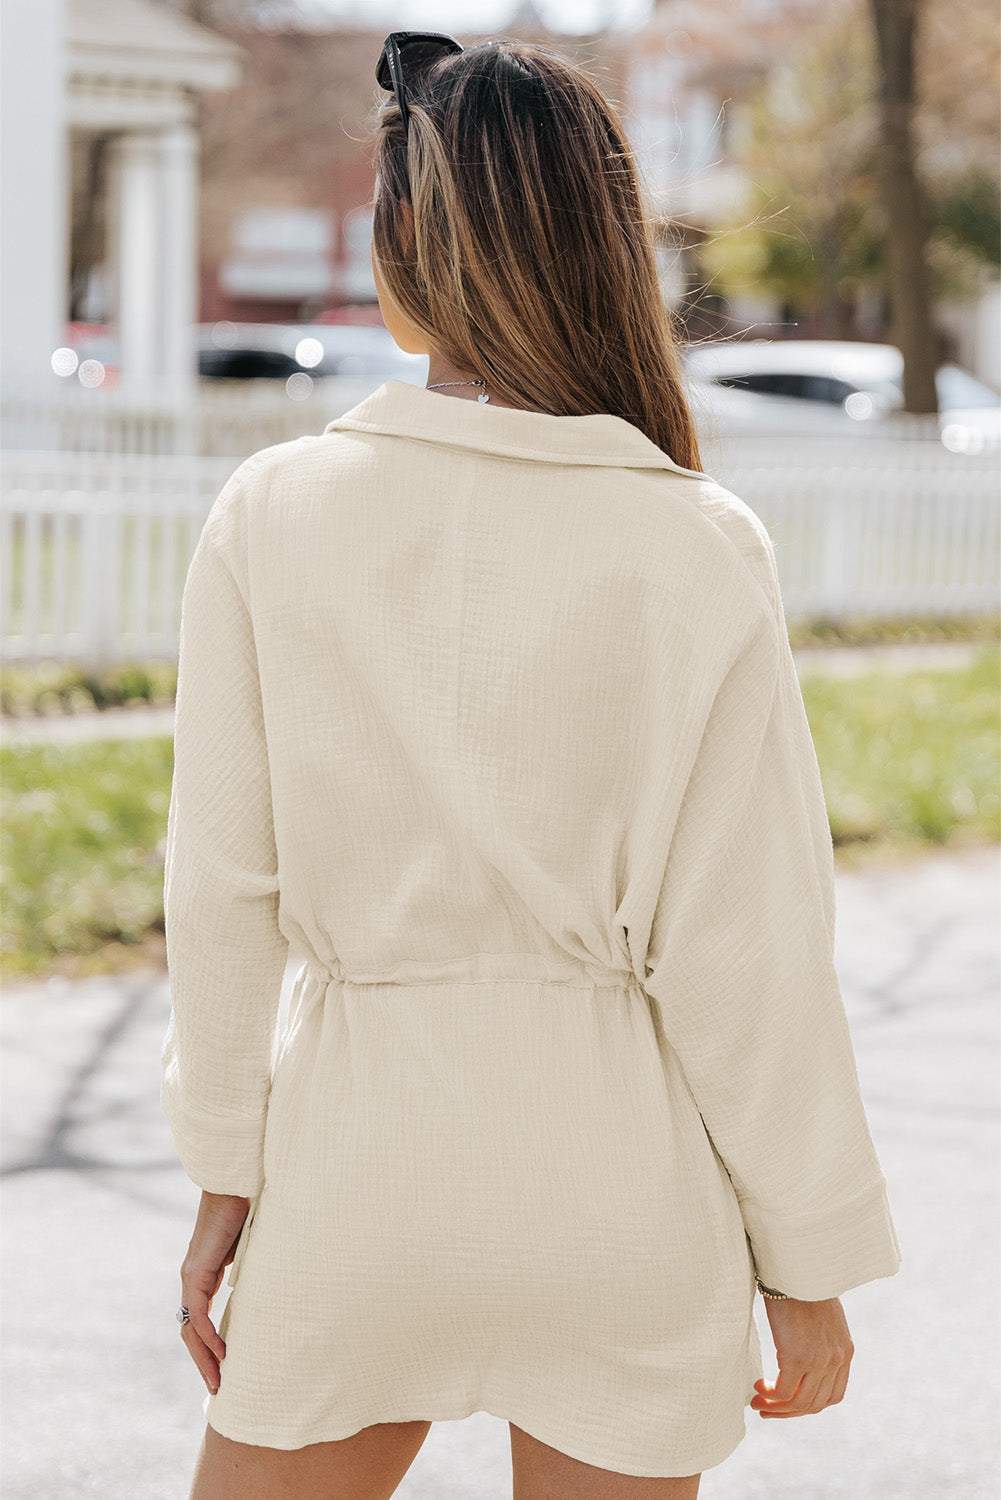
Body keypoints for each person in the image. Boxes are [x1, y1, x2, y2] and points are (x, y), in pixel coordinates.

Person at [161, 33, 902, 1500]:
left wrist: (223, 1174)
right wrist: (804, 1260)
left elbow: (221, 888)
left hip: (358, 1177)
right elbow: (746, 946)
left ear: (403, 255)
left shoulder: (275, 512)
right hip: (623, 1194)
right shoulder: (695, 542)